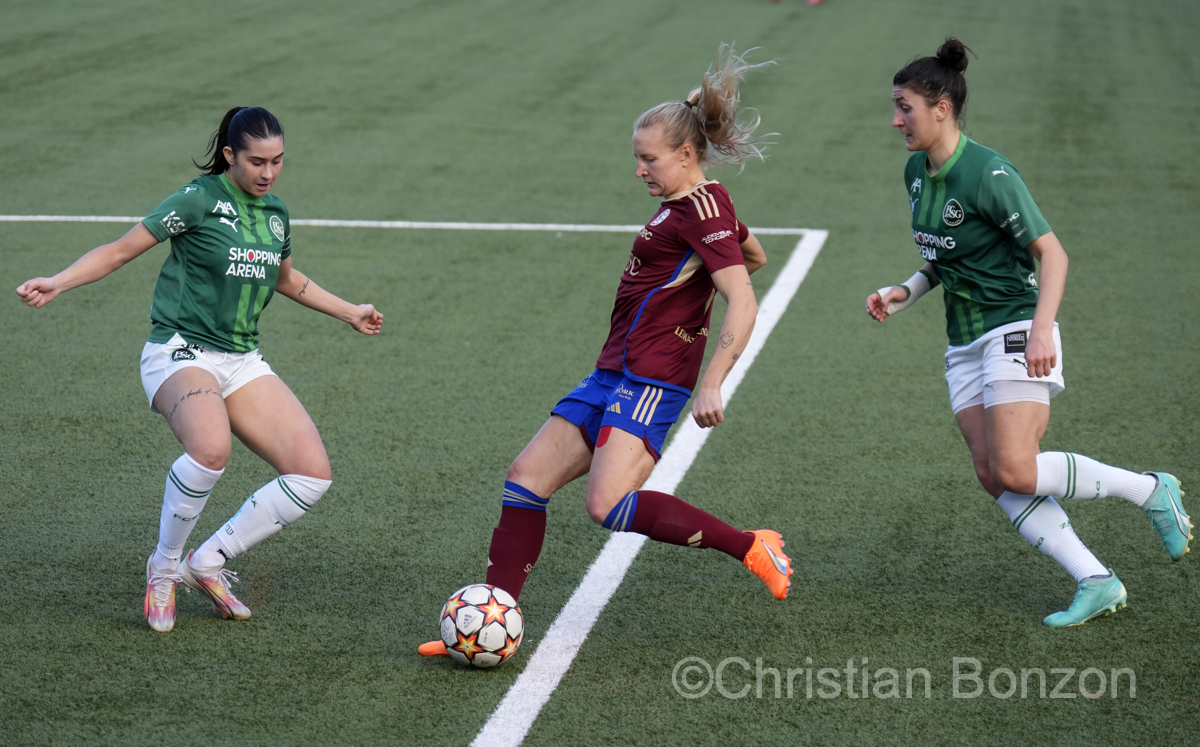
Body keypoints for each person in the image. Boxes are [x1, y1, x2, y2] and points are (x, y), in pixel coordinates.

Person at [420, 44, 791, 658]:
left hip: (652, 379)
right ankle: (487, 621)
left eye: (649, 159)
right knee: (525, 479)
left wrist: (712, 380)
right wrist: (712, 263)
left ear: (686, 154)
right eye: (637, 157)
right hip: (611, 373)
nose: (639, 170)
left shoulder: (701, 208)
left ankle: (753, 546)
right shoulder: (692, 208)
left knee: (607, 504)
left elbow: (744, 299)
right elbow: (752, 254)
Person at [16, 107, 384, 633]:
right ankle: (164, 568)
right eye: (257, 162)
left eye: (278, 161)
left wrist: (350, 311)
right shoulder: (198, 199)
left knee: (311, 474)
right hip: (180, 350)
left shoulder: (275, 213)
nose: (269, 173)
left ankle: (207, 562)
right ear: (230, 155)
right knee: (211, 450)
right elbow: (120, 251)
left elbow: (284, 278)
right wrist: (58, 280)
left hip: (242, 359)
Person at [866, 39, 1190, 627]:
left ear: (942, 108)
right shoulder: (916, 172)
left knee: (1016, 467)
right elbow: (946, 255)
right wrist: (906, 290)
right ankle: (1096, 579)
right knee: (993, 476)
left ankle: (1149, 490)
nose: (895, 120)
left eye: (904, 107)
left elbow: (1053, 254)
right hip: (963, 343)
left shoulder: (990, 173)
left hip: (1014, 326)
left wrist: (1042, 330)